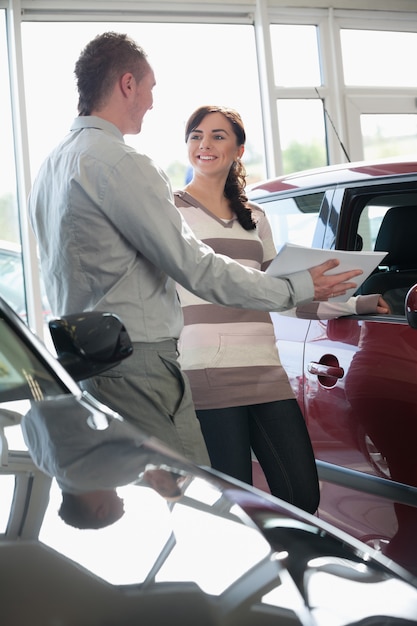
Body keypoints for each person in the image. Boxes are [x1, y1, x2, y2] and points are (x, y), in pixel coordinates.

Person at [28, 32, 361, 470]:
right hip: (138, 362)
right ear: (128, 84)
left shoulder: (52, 164)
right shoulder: (122, 162)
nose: (150, 101)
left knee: (146, 490)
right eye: (150, 88)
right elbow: (196, 267)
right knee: (195, 497)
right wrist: (297, 285)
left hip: (86, 361)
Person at [174, 104, 390, 513]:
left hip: (265, 372)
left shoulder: (254, 217)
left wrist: (356, 302)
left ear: (238, 150)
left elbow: (284, 293)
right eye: (196, 135)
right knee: (232, 505)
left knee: (302, 496)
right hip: (207, 374)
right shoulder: (170, 212)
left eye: (218, 136)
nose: (205, 144)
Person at [21, 394, 197, 528]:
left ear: (102, 511)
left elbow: (154, 456)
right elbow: (27, 420)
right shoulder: (46, 465)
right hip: (58, 386)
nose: (122, 500)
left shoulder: (100, 479)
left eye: (120, 505)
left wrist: (203, 474)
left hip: (108, 393)